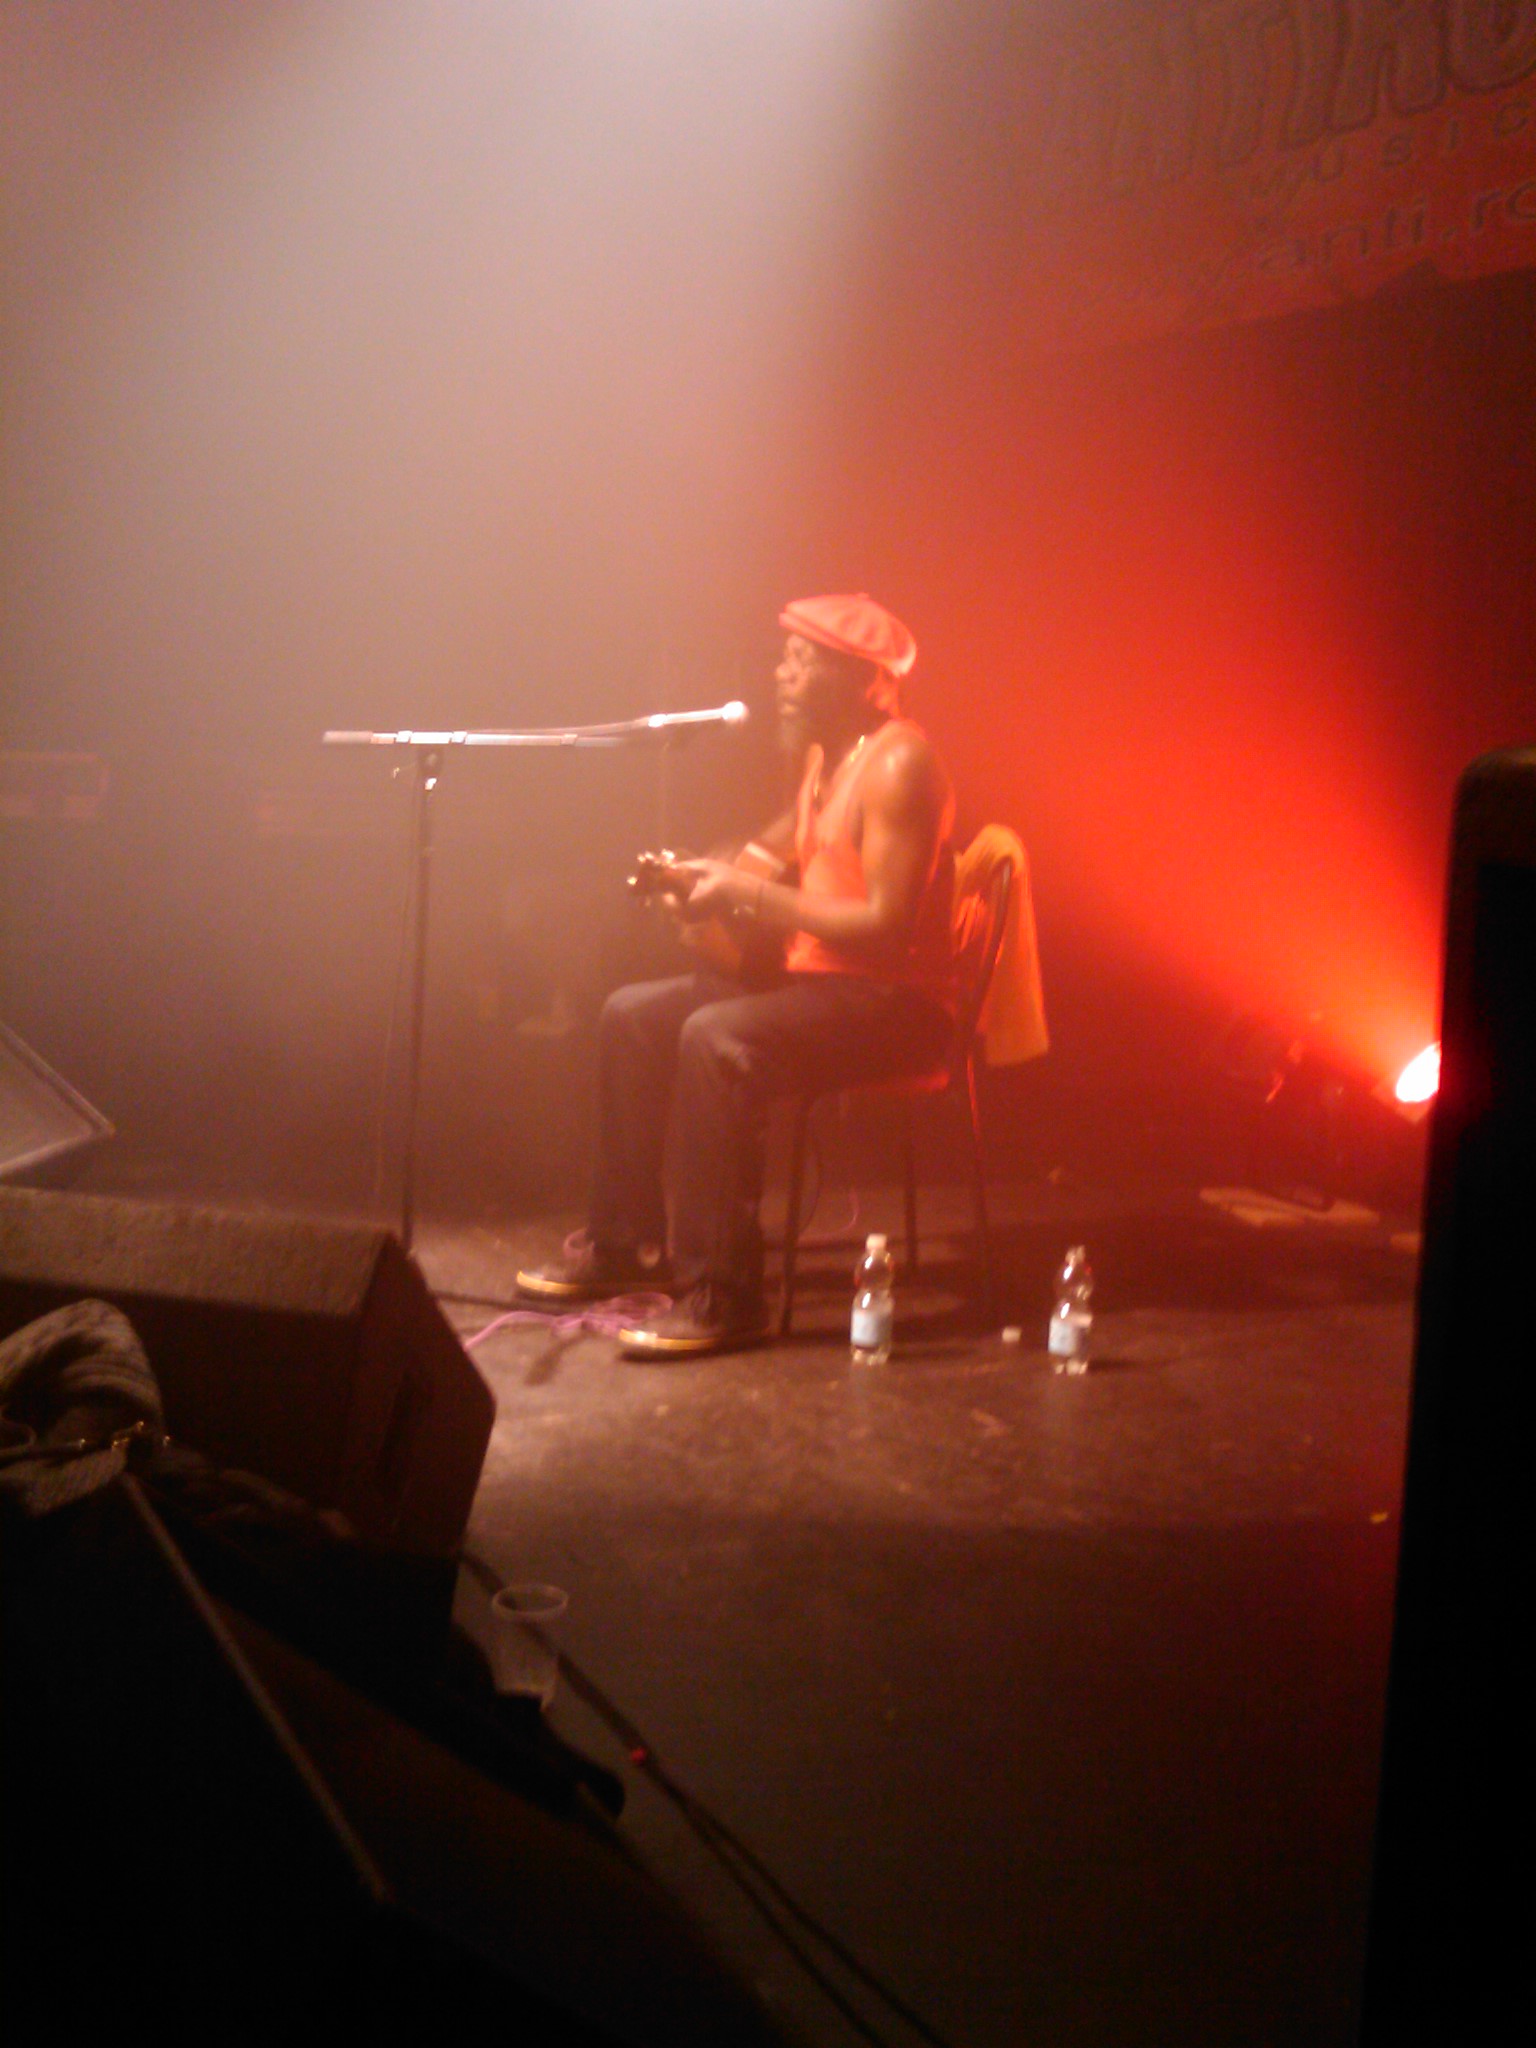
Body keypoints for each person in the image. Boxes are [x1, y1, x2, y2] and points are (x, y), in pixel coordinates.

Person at [516, 593, 957, 1357]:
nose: (780, 675)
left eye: (801, 661)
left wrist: (745, 896)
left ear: (861, 680)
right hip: (821, 983)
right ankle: (625, 1246)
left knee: (718, 1038)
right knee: (631, 1015)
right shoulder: (828, 757)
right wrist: (707, 876)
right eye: (785, 658)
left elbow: (887, 927)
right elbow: (784, 843)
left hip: (894, 1005)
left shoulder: (899, 764)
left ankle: (724, 1294)